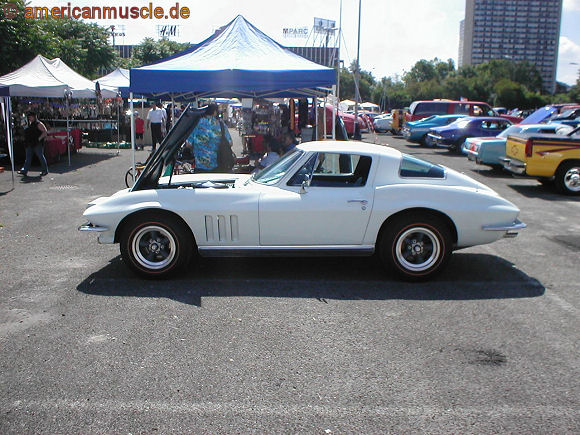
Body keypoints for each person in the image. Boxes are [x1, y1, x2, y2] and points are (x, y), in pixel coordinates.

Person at [186, 103, 233, 173]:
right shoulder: (221, 124)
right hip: (218, 166)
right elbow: (230, 143)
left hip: (200, 167)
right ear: (215, 112)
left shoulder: (196, 124)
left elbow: (188, 144)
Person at [18, 112, 49, 177]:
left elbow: (45, 132)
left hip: (37, 143)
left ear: (34, 117)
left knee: (40, 156)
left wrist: (39, 139)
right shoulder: (28, 124)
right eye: (29, 117)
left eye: (31, 117)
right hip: (29, 142)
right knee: (28, 157)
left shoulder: (39, 123)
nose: (30, 118)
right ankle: (24, 170)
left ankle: (45, 170)